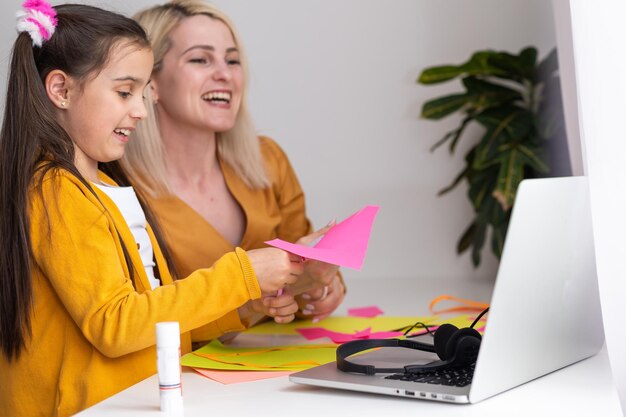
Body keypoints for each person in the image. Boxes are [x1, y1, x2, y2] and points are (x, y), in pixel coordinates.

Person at [0, 2, 304, 416]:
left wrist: (245, 305)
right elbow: (116, 325)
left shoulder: (104, 184)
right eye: (124, 92)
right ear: (61, 90)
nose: (141, 110)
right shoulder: (56, 189)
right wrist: (243, 276)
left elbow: (153, 315)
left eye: (142, 94)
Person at [118, 0, 346, 341]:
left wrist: (319, 284)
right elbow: (132, 320)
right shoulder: (116, 188)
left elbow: (299, 289)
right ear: (150, 83)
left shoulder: (268, 160)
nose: (225, 74)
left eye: (233, 60)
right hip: (176, 384)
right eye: (200, 59)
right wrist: (250, 302)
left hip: (273, 376)